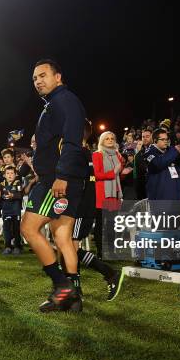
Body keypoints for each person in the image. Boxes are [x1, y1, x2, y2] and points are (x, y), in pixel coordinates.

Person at [21, 59, 86, 312]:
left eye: (43, 75)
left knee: (28, 228)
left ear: (58, 77)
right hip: (62, 178)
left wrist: (61, 175)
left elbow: (72, 142)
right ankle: (74, 298)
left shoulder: (64, 100)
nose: (38, 81)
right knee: (62, 236)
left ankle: (62, 286)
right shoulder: (54, 103)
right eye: (35, 78)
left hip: (57, 181)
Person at [72, 120, 124, 301]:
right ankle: (74, 288)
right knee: (67, 248)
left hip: (81, 209)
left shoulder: (85, 155)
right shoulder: (81, 154)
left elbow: (88, 183)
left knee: (70, 248)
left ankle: (108, 273)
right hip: (79, 207)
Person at [92, 131, 131, 258]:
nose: (110, 140)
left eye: (112, 138)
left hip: (114, 194)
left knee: (112, 224)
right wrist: (113, 172)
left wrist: (123, 173)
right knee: (100, 224)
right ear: (102, 141)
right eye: (107, 139)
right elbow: (97, 175)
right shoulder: (97, 155)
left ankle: (111, 251)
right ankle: (100, 252)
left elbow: (118, 177)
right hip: (102, 194)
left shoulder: (118, 155)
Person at [0, 165, 23, 254]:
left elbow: (20, 195)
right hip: (6, 210)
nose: (10, 175)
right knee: (6, 229)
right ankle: (7, 246)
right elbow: (0, 196)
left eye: (12, 173)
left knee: (16, 228)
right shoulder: (1, 184)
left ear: (15, 175)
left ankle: (17, 246)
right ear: (4, 175)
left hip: (15, 210)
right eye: (7, 173)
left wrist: (13, 195)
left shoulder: (18, 183)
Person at [133, 129, 152, 199]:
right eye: (143, 137)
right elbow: (139, 176)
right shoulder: (138, 155)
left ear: (152, 137)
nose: (145, 138)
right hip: (144, 190)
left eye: (147, 136)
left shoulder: (160, 151)